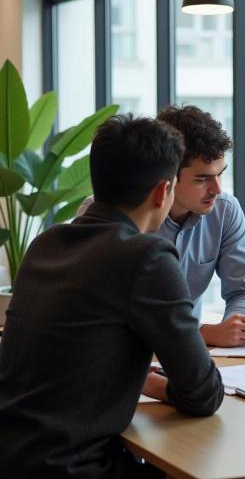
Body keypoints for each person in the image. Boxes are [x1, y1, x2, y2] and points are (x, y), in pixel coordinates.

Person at [0, 115, 224, 479]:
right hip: (71, 467)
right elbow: (204, 395)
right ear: (161, 191)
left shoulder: (48, 243)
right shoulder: (146, 257)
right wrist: (158, 386)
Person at [79, 105, 245, 347]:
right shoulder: (107, 211)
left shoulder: (225, 210)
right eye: (202, 178)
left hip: (185, 355)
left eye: (220, 174)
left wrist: (235, 327)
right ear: (167, 176)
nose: (217, 189)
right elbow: (102, 315)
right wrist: (204, 333)